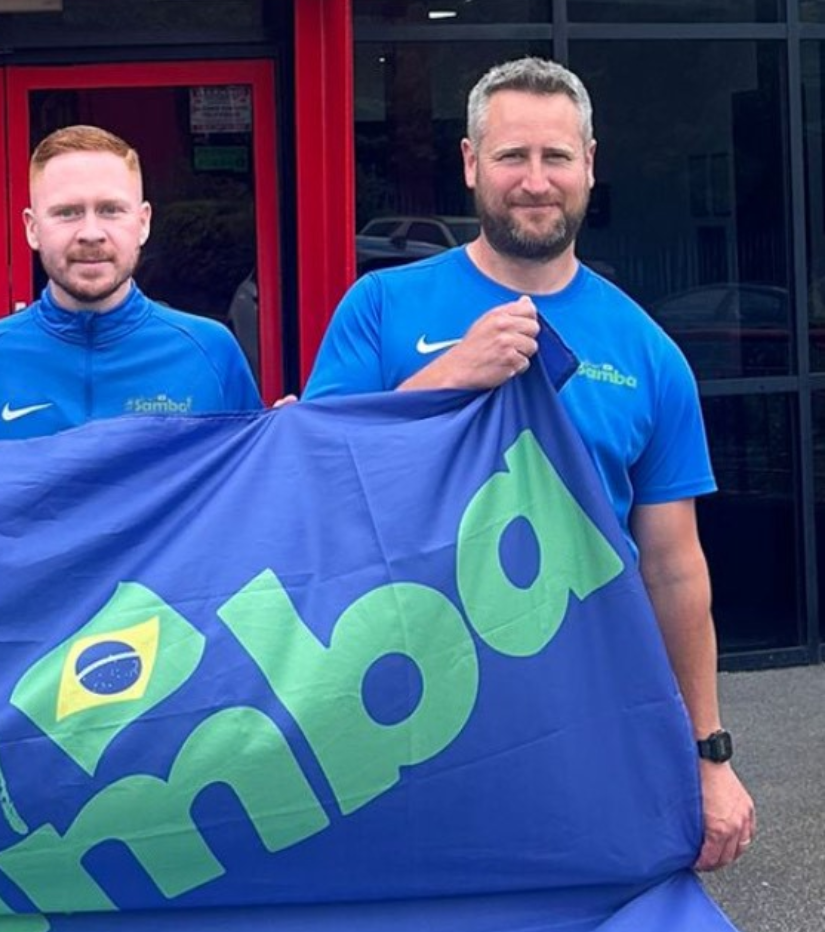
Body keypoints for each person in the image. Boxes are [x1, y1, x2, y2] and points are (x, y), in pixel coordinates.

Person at [303, 57, 755, 871]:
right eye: (512, 156)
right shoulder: (380, 307)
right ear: (473, 165)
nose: (535, 181)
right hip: (396, 712)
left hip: (583, 717)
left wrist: (708, 754)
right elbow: (315, 478)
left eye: (556, 157)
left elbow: (674, 570)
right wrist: (449, 376)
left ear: (590, 163)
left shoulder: (648, 352)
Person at [0, 125, 263, 446]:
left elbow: (253, 485)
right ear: (32, 229)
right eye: (67, 212)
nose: (91, 232)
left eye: (111, 210)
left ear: (143, 222)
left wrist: (287, 436)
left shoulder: (211, 352)